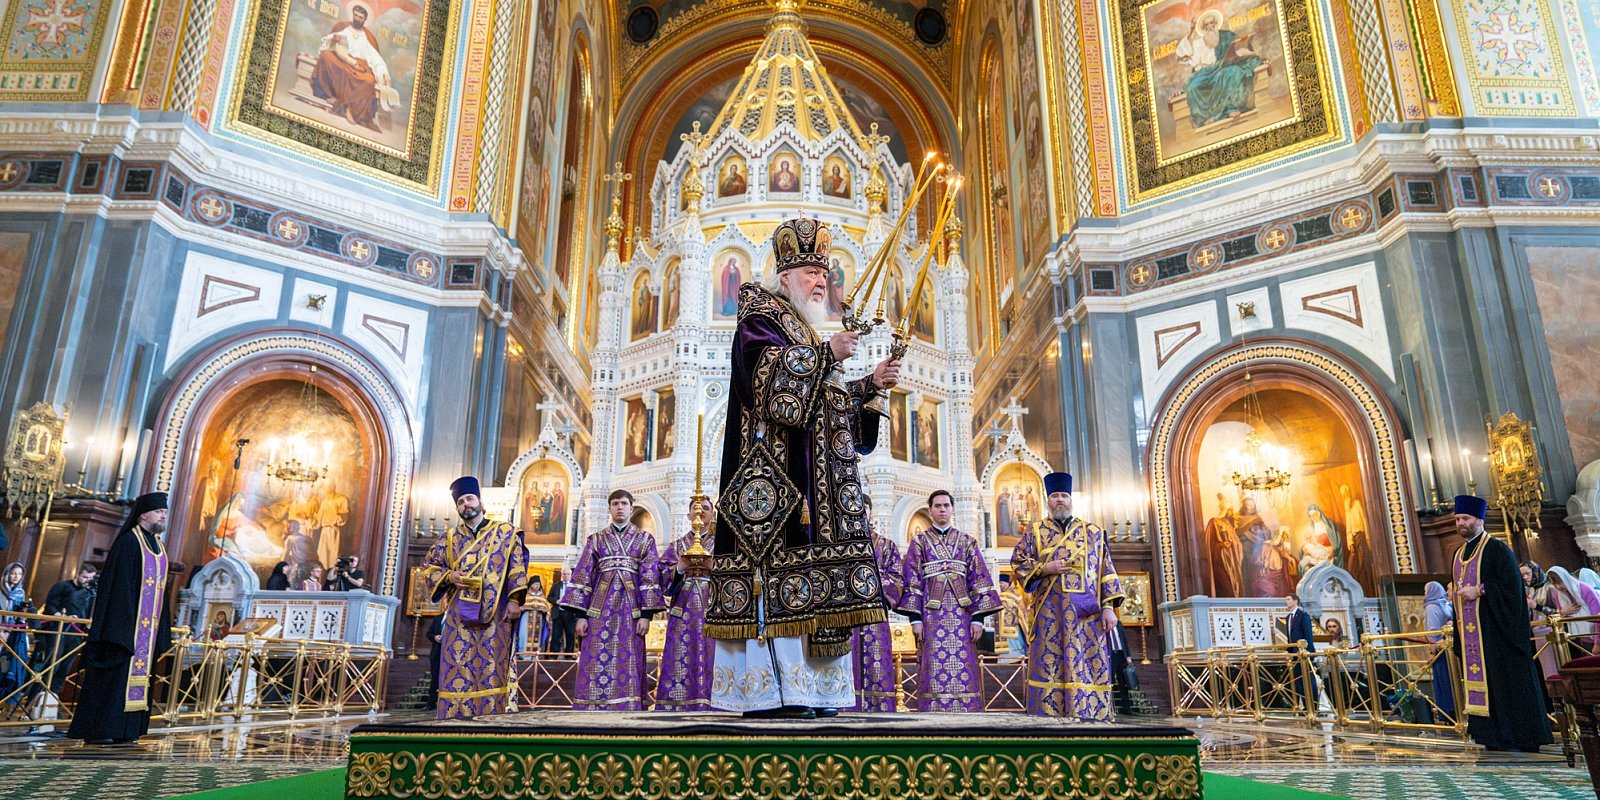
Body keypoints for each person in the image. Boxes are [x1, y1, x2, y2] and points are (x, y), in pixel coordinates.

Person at [708, 216, 901, 719]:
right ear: (786, 274)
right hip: (774, 491)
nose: (821, 281)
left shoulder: (805, 327)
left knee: (818, 592)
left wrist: (868, 387)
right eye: (812, 271)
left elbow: (828, 410)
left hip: (813, 492)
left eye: (824, 272)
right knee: (778, 589)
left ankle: (813, 694)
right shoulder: (760, 315)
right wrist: (825, 354)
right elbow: (770, 387)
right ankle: (772, 694)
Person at [1010, 472, 1123, 720]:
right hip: (1049, 615)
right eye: (1054, 496)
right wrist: (1045, 568)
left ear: (1071, 499)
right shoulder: (1035, 532)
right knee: (1049, 664)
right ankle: (1048, 716)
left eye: (1064, 495)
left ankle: (1091, 715)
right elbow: (1017, 562)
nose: (1059, 500)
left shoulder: (1093, 533)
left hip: (1087, 618)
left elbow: (1106, 570)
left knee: (1087, 663)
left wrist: (1108, 608)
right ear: (1047, 500)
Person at [1449, 494, 1552, 751]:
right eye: (1458, 519)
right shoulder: (1458, 553)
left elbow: (1512, 588)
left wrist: (1480, 590)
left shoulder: (1497, 549)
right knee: (1486, 687)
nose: (1461, 523)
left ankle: (1521, 737)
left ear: (1480, 520)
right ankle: (1492, 736)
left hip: (1499, 635)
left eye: (1466, 518)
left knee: (1507, 684)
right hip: (1475, 639)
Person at [68, 492, 173, 744]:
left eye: (165, 512)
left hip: (144, 637)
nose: (163, 515)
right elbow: (118, 589)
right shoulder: (128, 543)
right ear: (143, 514)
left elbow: (163, 593)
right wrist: (124, 629)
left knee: (137, 683)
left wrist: (161, 632)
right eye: (159, 511)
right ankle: (103, 729)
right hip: (124, 631)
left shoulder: (158, 548)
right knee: (115, 681)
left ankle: (128, 730)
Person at [421, 476, 529, 720]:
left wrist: (515, 600)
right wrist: (449, 576)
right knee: (459, 663)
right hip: (460, 614)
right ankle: (455, 718)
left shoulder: (505, 533)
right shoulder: (447, 539)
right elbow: (428, 569)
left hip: (496, 613)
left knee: (493, 664)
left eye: (469, 499)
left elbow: (517, 567)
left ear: (480, 501)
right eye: (460, 502)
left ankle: (494, 716)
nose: (466, 505)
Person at [560, 490, 664, 710]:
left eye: (624, 503)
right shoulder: (596, 540)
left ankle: (627, 707)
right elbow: (583, 575)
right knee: (595, 657)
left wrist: (646, 616)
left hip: (631, 613)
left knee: (629, 659)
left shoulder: (645, 539)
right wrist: (580, 616)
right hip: (599, 611)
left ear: (631, 508)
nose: (619, 507)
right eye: (615, 503)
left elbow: (649, 577)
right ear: (609, 508)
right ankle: (592, 706)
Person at [900, 490, 1001, 712]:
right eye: (937, 506)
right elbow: (912, 581)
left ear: (952, 509)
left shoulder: (967, 542)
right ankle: (933, 712)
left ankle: (967, 712)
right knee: (933, 665)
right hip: (931, 618)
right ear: (930, 510)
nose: (942, 509)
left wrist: (978, 619)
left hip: (961, 618)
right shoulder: (919, 542)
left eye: (946, 505)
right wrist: (915, 619)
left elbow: (980, 580)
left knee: (964, 664)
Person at [654, 496, 717, 711]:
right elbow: (661, 576)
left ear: (712, 513)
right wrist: (679, 567)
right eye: (696, 509)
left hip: (713, 610)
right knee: (681, 656)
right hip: (684, 610)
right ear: (689, 514)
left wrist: (713, 568)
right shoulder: (678, 545)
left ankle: (716, 703)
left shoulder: (722, 544)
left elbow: (734, 576)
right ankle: (678, 704)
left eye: (706, 509)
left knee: (713, 655)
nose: (701, 513)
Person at [849, 498, 904, 712]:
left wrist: (880, 595)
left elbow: (897, 577)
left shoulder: (886, 545)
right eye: (854, 508)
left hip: (875, 614)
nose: (859, 513)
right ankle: (847, 707)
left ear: (871, 513)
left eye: (864, 509)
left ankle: (878, 708)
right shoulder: (840, 545)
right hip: (848, 614)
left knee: (877, 659)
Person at [310, 3, 397, 133]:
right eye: (355, 15)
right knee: (326, 56)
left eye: (360, 17)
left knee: (368, 80)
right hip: (344, 61)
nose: (357, 18)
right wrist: (334, 38)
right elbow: (328, 41)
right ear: (353, 15)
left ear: (364, 20)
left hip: (359, 67)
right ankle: (339, 102)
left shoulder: (367, 38)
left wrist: (384, 73)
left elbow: (376, 59)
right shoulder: (345, 30)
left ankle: (349, 108)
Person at [1174, 8, 1264, 128]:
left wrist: (1245, 52)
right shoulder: (1198, 43)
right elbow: (1181, 55)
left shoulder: (1226, 36)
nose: (1210, 26)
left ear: (1216, 23)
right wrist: (1191, 31)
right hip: (1205, 73)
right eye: (1207, 25)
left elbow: (1240, 48)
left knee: (1233, 71)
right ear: (1203, 28)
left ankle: (1232, 107)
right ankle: (1206, 117)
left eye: (1212, 23)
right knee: (1192, 87)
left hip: (1224, 67)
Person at [38, 563, 96, 695]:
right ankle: (36, 700)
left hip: (76, 634)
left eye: (90, 579)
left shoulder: (89, 593)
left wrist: (88, 621)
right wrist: (63, 616)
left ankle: (52, 701)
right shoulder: (62, 586)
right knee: (52, 665)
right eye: (85, 577)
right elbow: (50, 607)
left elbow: (88, 611)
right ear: (78, 574)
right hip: (58, 631)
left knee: (65, 668)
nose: (88, 581)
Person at [1422, 581, 1455, 722]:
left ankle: (1447, 714)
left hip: (1440, 651)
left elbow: (1433, 631)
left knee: (1443, 683)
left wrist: (1432, 650)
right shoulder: (1445, 604)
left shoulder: (1432, 607)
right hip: (1451, 649)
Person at [0, 562, 30, 706]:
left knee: (5, 666)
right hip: (1, 631)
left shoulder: (20, 593)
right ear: (7, 574)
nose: (16, 577)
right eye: (13, 573)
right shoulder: (1, 591)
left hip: (12, 633)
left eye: (19, 574)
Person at [1205, 493, 1242, 597]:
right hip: (1220, 561)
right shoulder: (1214, 522)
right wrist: (1221, 545)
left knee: (1233, 587)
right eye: (1230, 509)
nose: (1232, 512)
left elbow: (1236, 541)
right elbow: (1209, 544)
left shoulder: (1229, 524)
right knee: (1226, 587)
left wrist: (1234, 544)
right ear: (1225, 509)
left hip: (1232, 561)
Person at [1285, 593, 1315, 706]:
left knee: (1308, 680)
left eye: (1288, 599)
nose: (1286, 601)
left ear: (1295, 601)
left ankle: (1313, 705)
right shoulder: (1288, 617)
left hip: (1304, 653)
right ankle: (1304, 706)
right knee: (1299, 681)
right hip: (1294, 654)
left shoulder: (1303, 615)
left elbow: (1308, 635)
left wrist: (1309, 651)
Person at [546, 568, 575, 654]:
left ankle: (569, 655)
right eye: (564, 574)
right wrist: (556, 601)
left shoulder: (573, 586)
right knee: (556, 635)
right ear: (562, 575)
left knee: (570, 634)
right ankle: (554, 654)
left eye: (568, 574)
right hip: (558, 613)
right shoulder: (556, 585)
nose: (566, 576)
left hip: (569, 613)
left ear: (571, 575)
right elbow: (549, 597)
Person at [525, 574, 551, 652]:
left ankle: (536, 654)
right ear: (531, 585)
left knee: (539, 636)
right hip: (526, 617)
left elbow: (546, 608)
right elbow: (522, 606)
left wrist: (544, 611)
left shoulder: (542, 596)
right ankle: (523, 655)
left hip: (539, 618)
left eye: (538, 584)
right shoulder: (525, 595)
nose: (537, 586)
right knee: (524, 635)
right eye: (535, 584)